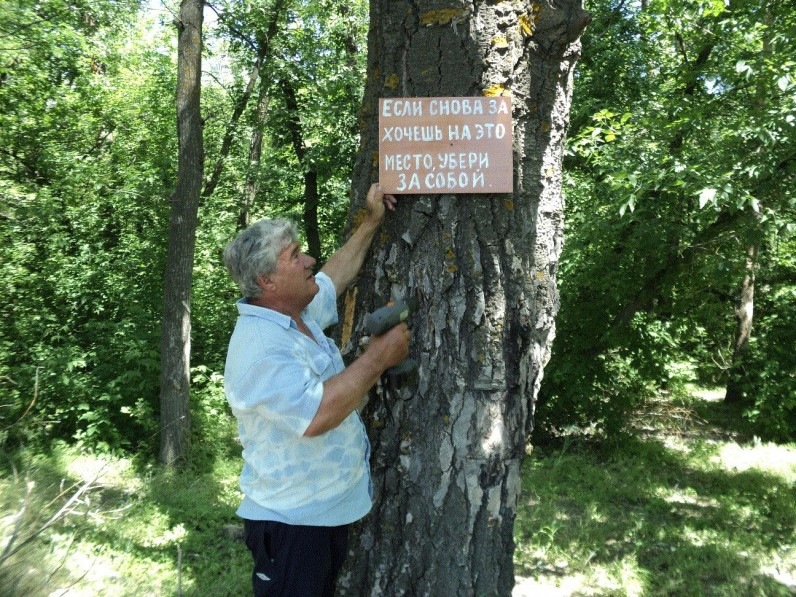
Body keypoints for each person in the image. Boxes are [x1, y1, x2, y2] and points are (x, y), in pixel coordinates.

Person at [222, 183, 409, 597]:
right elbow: (316, 415)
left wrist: (372, 222)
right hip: (292, 527)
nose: (309, 260)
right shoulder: (260, 348)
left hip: (321, 516)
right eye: (295, 256)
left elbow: (333, 276)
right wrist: (378, 358)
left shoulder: (294, 312)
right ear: (266, 280)